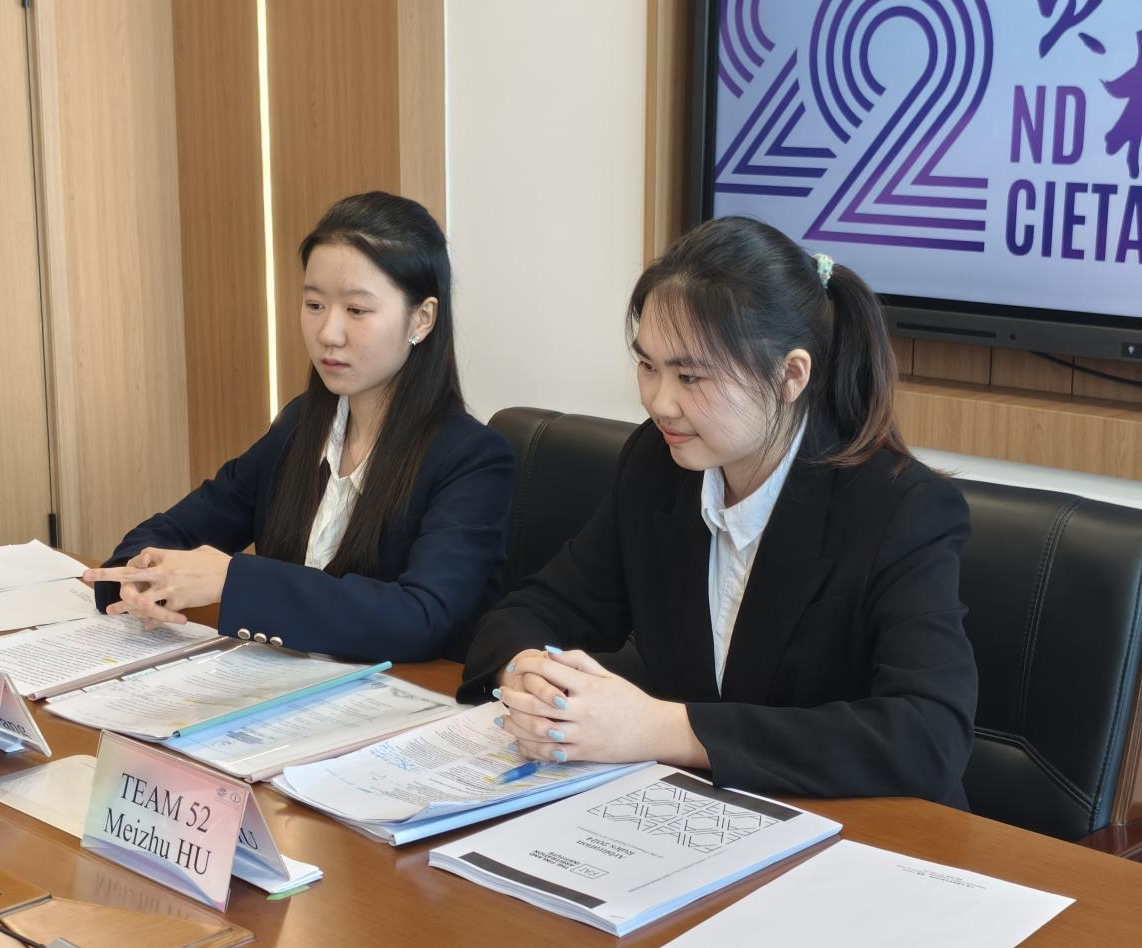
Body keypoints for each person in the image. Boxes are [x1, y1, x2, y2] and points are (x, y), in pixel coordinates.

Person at [459, 216, 978, 806]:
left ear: (789, 375)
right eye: (648, 366)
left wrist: (663, 728)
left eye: (690, 376)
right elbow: (535, 610)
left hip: (864, 830)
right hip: (694, 814)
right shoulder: (657, 466)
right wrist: (529, 676)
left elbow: (927, 737)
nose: (659, 402)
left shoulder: (901, 508)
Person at [85, 192, 514, 662]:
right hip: (280, 686)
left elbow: (420, 617)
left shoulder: (472, 459)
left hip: (401, 695)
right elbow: (178, 527)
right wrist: (136, 577)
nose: (328, 333)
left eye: (357, 310)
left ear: (422, 318)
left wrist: (233, 580)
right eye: (314, 304)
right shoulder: (300, 426)